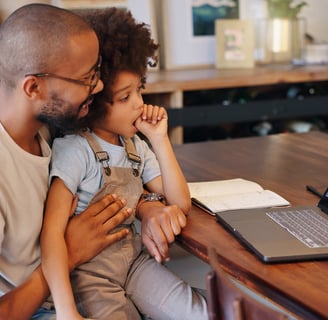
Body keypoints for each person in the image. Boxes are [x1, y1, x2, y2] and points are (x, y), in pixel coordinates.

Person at [40, 7, 208, 320]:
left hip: (135, 265)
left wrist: (160, 139)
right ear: (93, 105)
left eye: (139, 90)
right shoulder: (74, 151)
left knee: (202, 313)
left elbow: (180, 201)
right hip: (92, 279)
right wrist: (66, 310)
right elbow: (51, 235)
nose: (140, 104)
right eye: (125, 97)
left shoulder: (135, 146)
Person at [0, 4, 133, 320]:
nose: (98, 86)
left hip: (90, 281)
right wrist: (68, 252)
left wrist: (151, 205)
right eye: (87, 77)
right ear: (34, 87)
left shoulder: (50, 128)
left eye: (96, 70)